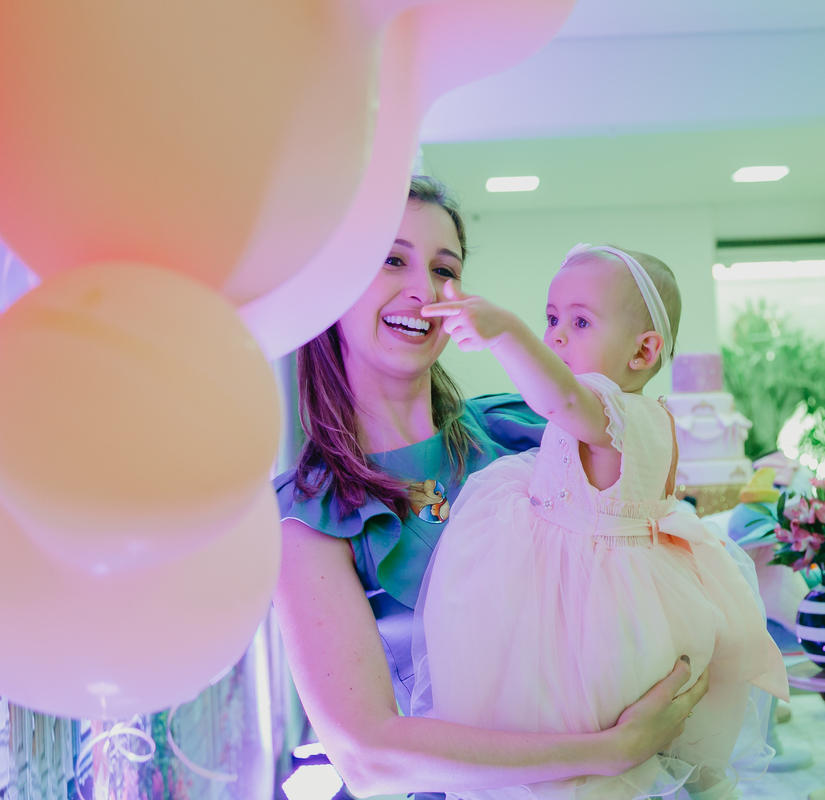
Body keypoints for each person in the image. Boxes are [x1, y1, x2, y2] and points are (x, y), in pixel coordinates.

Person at [272, 179, 709, 799]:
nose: (425, 291)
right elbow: (369, 756)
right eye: (391, 259)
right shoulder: (312, 516)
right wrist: (610, 751)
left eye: (444, 270)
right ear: (333, 283)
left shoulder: (524, 428)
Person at [411, 243, 791, 800]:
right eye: (551, 319)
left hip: (587, 610)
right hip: (606, 586)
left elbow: (559, 401)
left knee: (574, 746)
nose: (557, 336)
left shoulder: (612, 411)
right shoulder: (653, 415)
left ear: (643, 351)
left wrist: (506, 333)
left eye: (581, 322)